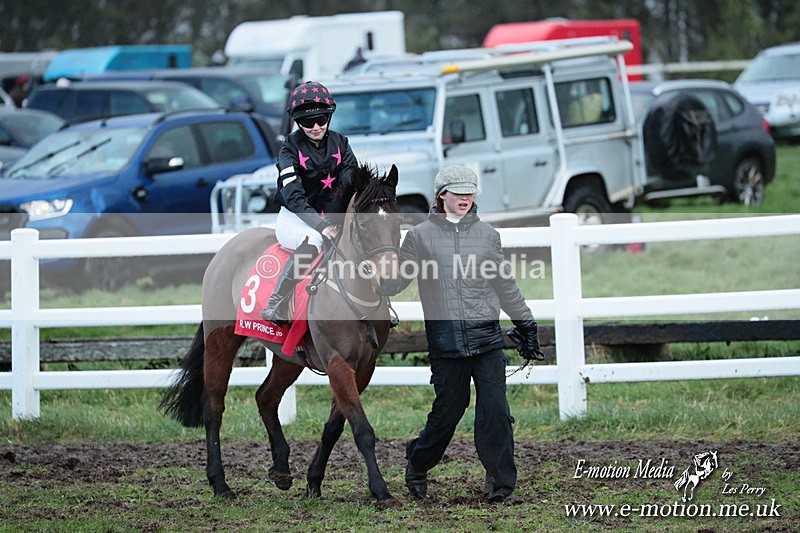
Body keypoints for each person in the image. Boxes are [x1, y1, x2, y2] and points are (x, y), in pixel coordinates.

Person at [379, 164, 544, 502]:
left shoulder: (487, 236)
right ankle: (418, 460)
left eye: (470, 192)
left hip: (487, 341)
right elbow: (397, 283)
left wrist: (526, 324)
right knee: (447, 415)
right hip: (446, 344)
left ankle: (501, 483)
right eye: (458, 192)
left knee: (495, 412)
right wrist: (375, 272)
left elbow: (505, 285)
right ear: (442, 196)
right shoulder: (420, 236)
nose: (466, 198)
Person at [260, 81, 357, 323]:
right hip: (295, 217)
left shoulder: (341, 143)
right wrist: (322, 226)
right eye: (307, 122)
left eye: (321, 119)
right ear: (298, 123)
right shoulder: (288, 150)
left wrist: (337, 219)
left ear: (329, 117)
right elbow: (293, 196)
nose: (315, 127)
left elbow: (350, 183)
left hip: (331, 215)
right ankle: (276, 303)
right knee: (315, 240)